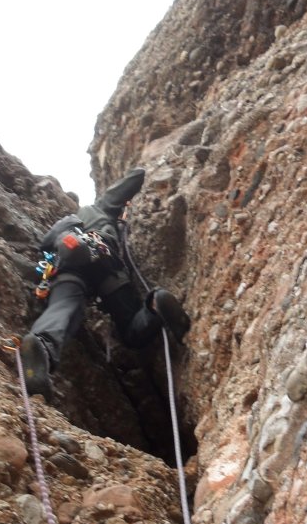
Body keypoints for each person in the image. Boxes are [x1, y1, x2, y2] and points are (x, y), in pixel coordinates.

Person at [20, 167, 190, 400]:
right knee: (132, 330)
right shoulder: (97, 210)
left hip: (68, 270)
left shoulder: (57, 233)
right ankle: (155, 304)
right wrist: (144, 172)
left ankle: (42, 346)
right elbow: (125, 186)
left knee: (63, 307)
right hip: (107, 266)